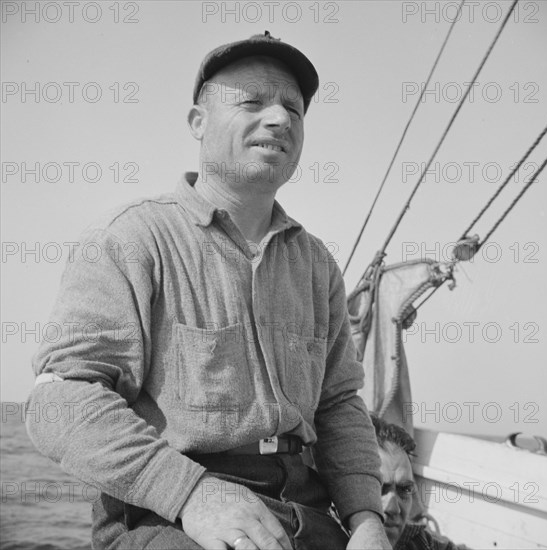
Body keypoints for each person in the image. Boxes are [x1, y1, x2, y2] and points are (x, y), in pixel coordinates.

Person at [25, 32, 391, 550]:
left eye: (294, 108)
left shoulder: (316, 265)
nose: (281, 118)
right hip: (166, 513)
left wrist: (366, 519)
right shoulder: (130, 239)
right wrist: (193, 495)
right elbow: (59, 402)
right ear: (198, 123)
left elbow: (338, 406)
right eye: (252, 102)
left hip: (305, 513)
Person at [370, 414, 468, 550]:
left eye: (404, 490)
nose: (393, 508)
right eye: (379, 489)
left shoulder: (417, 541)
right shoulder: (332, 539)